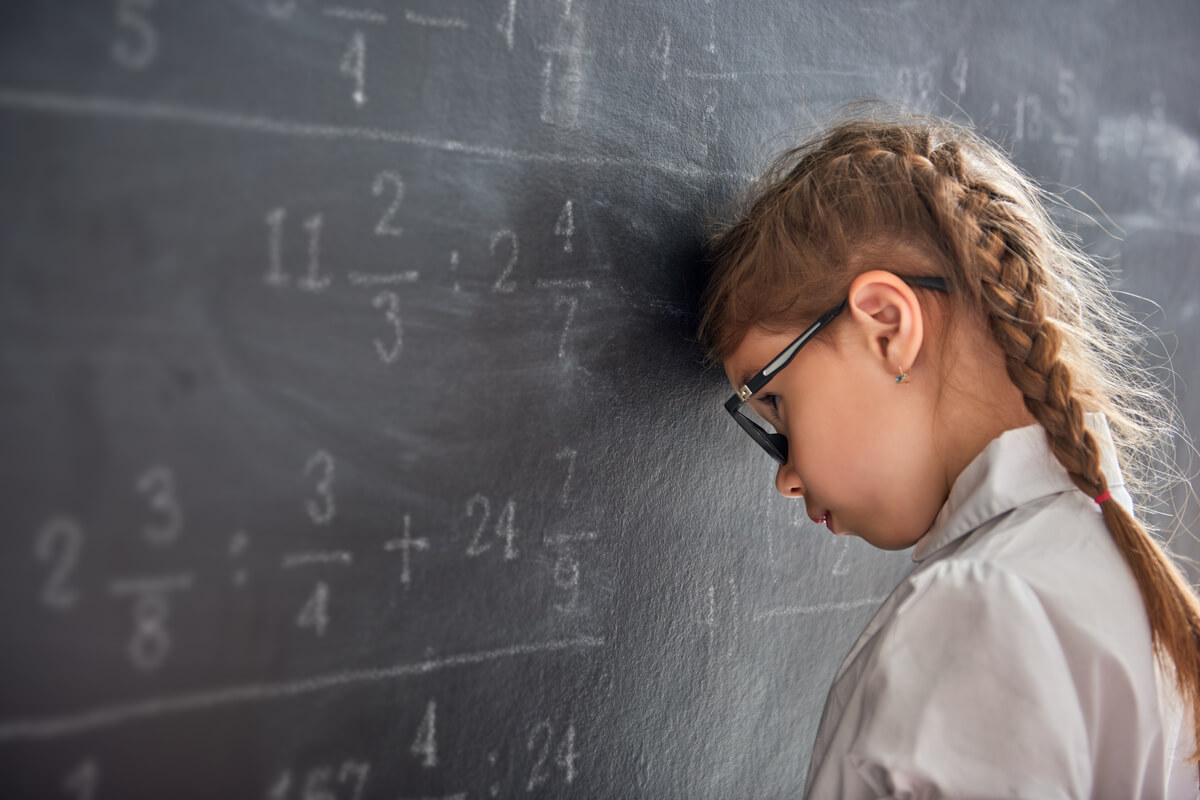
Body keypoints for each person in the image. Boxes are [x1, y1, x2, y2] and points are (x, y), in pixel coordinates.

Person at [699, 106, 1200, 797]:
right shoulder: (1118, 579)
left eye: (775, 401)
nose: (786, 477)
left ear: (886, 326)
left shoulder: (981, 612)